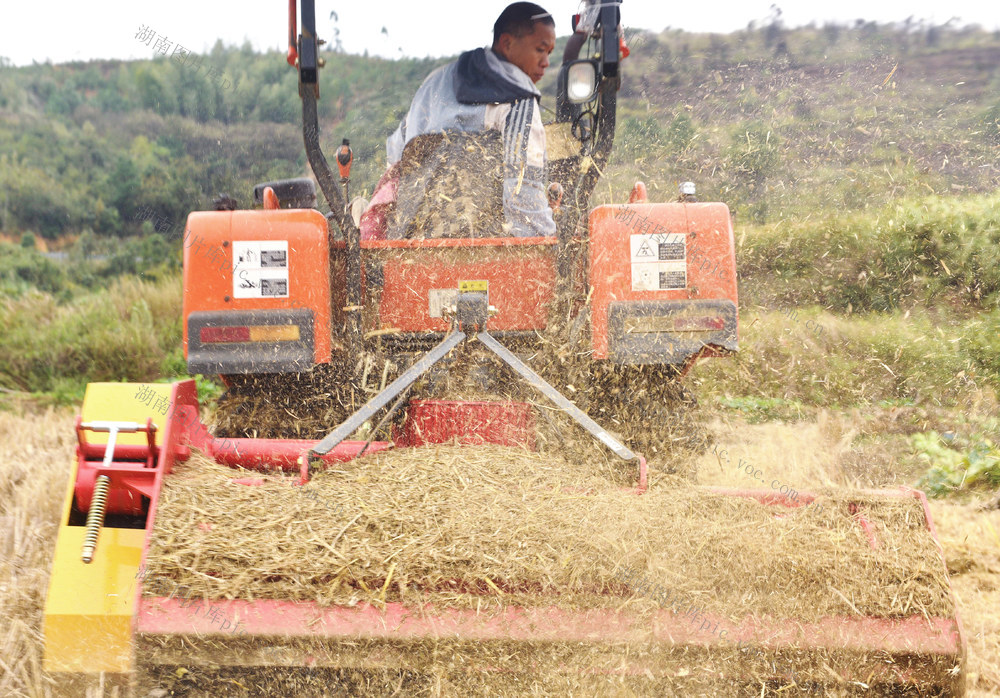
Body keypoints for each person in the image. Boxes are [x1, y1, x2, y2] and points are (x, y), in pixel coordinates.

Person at [361, 2, 558, 239]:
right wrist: (548, 244)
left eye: (549, 53)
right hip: (484, 247)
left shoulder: (435, 81)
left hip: (413, 244)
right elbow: (522, 193)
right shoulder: (518, 97)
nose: (546, 62)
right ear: (506, 43)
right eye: (540, 49)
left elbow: (396, 156)